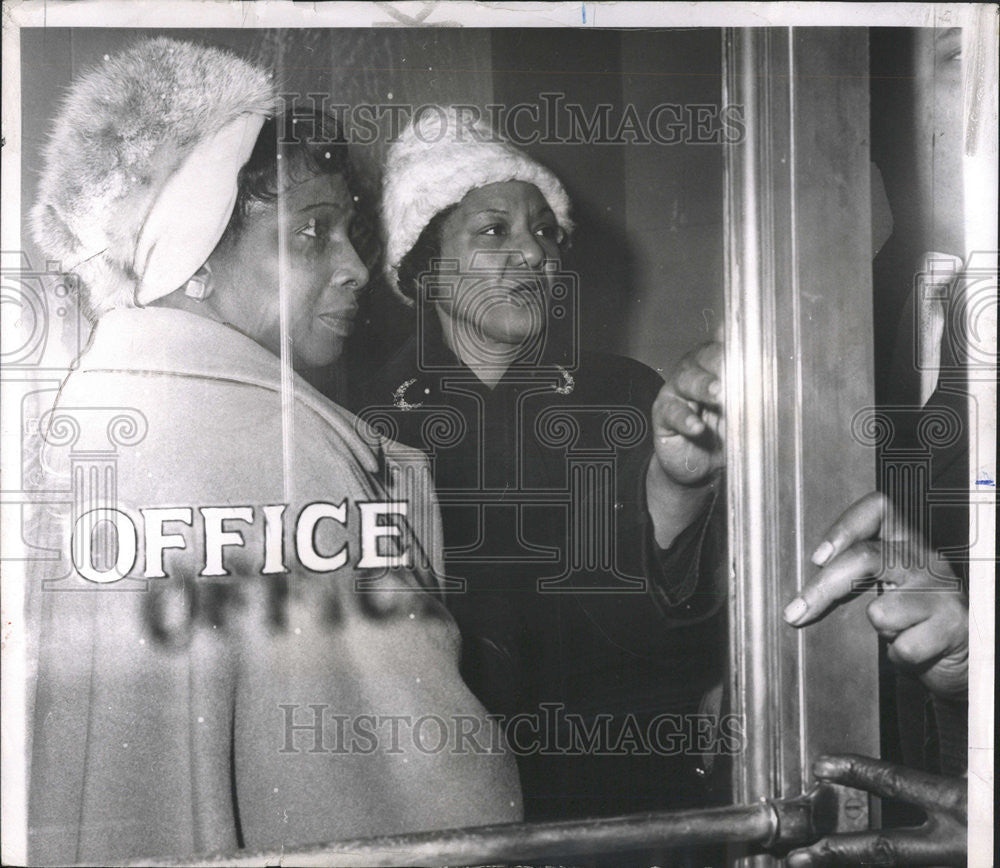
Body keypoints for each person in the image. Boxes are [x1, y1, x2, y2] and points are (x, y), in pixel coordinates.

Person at [26, 40, 519, 864]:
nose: (357, 267)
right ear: (195, 260)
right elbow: (432, 797)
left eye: (350, 233)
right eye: (312, 233)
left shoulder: (82, 425)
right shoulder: (290, 458)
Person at [346, 106, 728, 824]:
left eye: (546, 232)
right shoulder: (361, 424)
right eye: (495, 230)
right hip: (441, 795)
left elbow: (676, 612)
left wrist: (678, 488)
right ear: (425, 266)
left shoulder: (627, 396)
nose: (534, 254)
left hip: (627, 798)